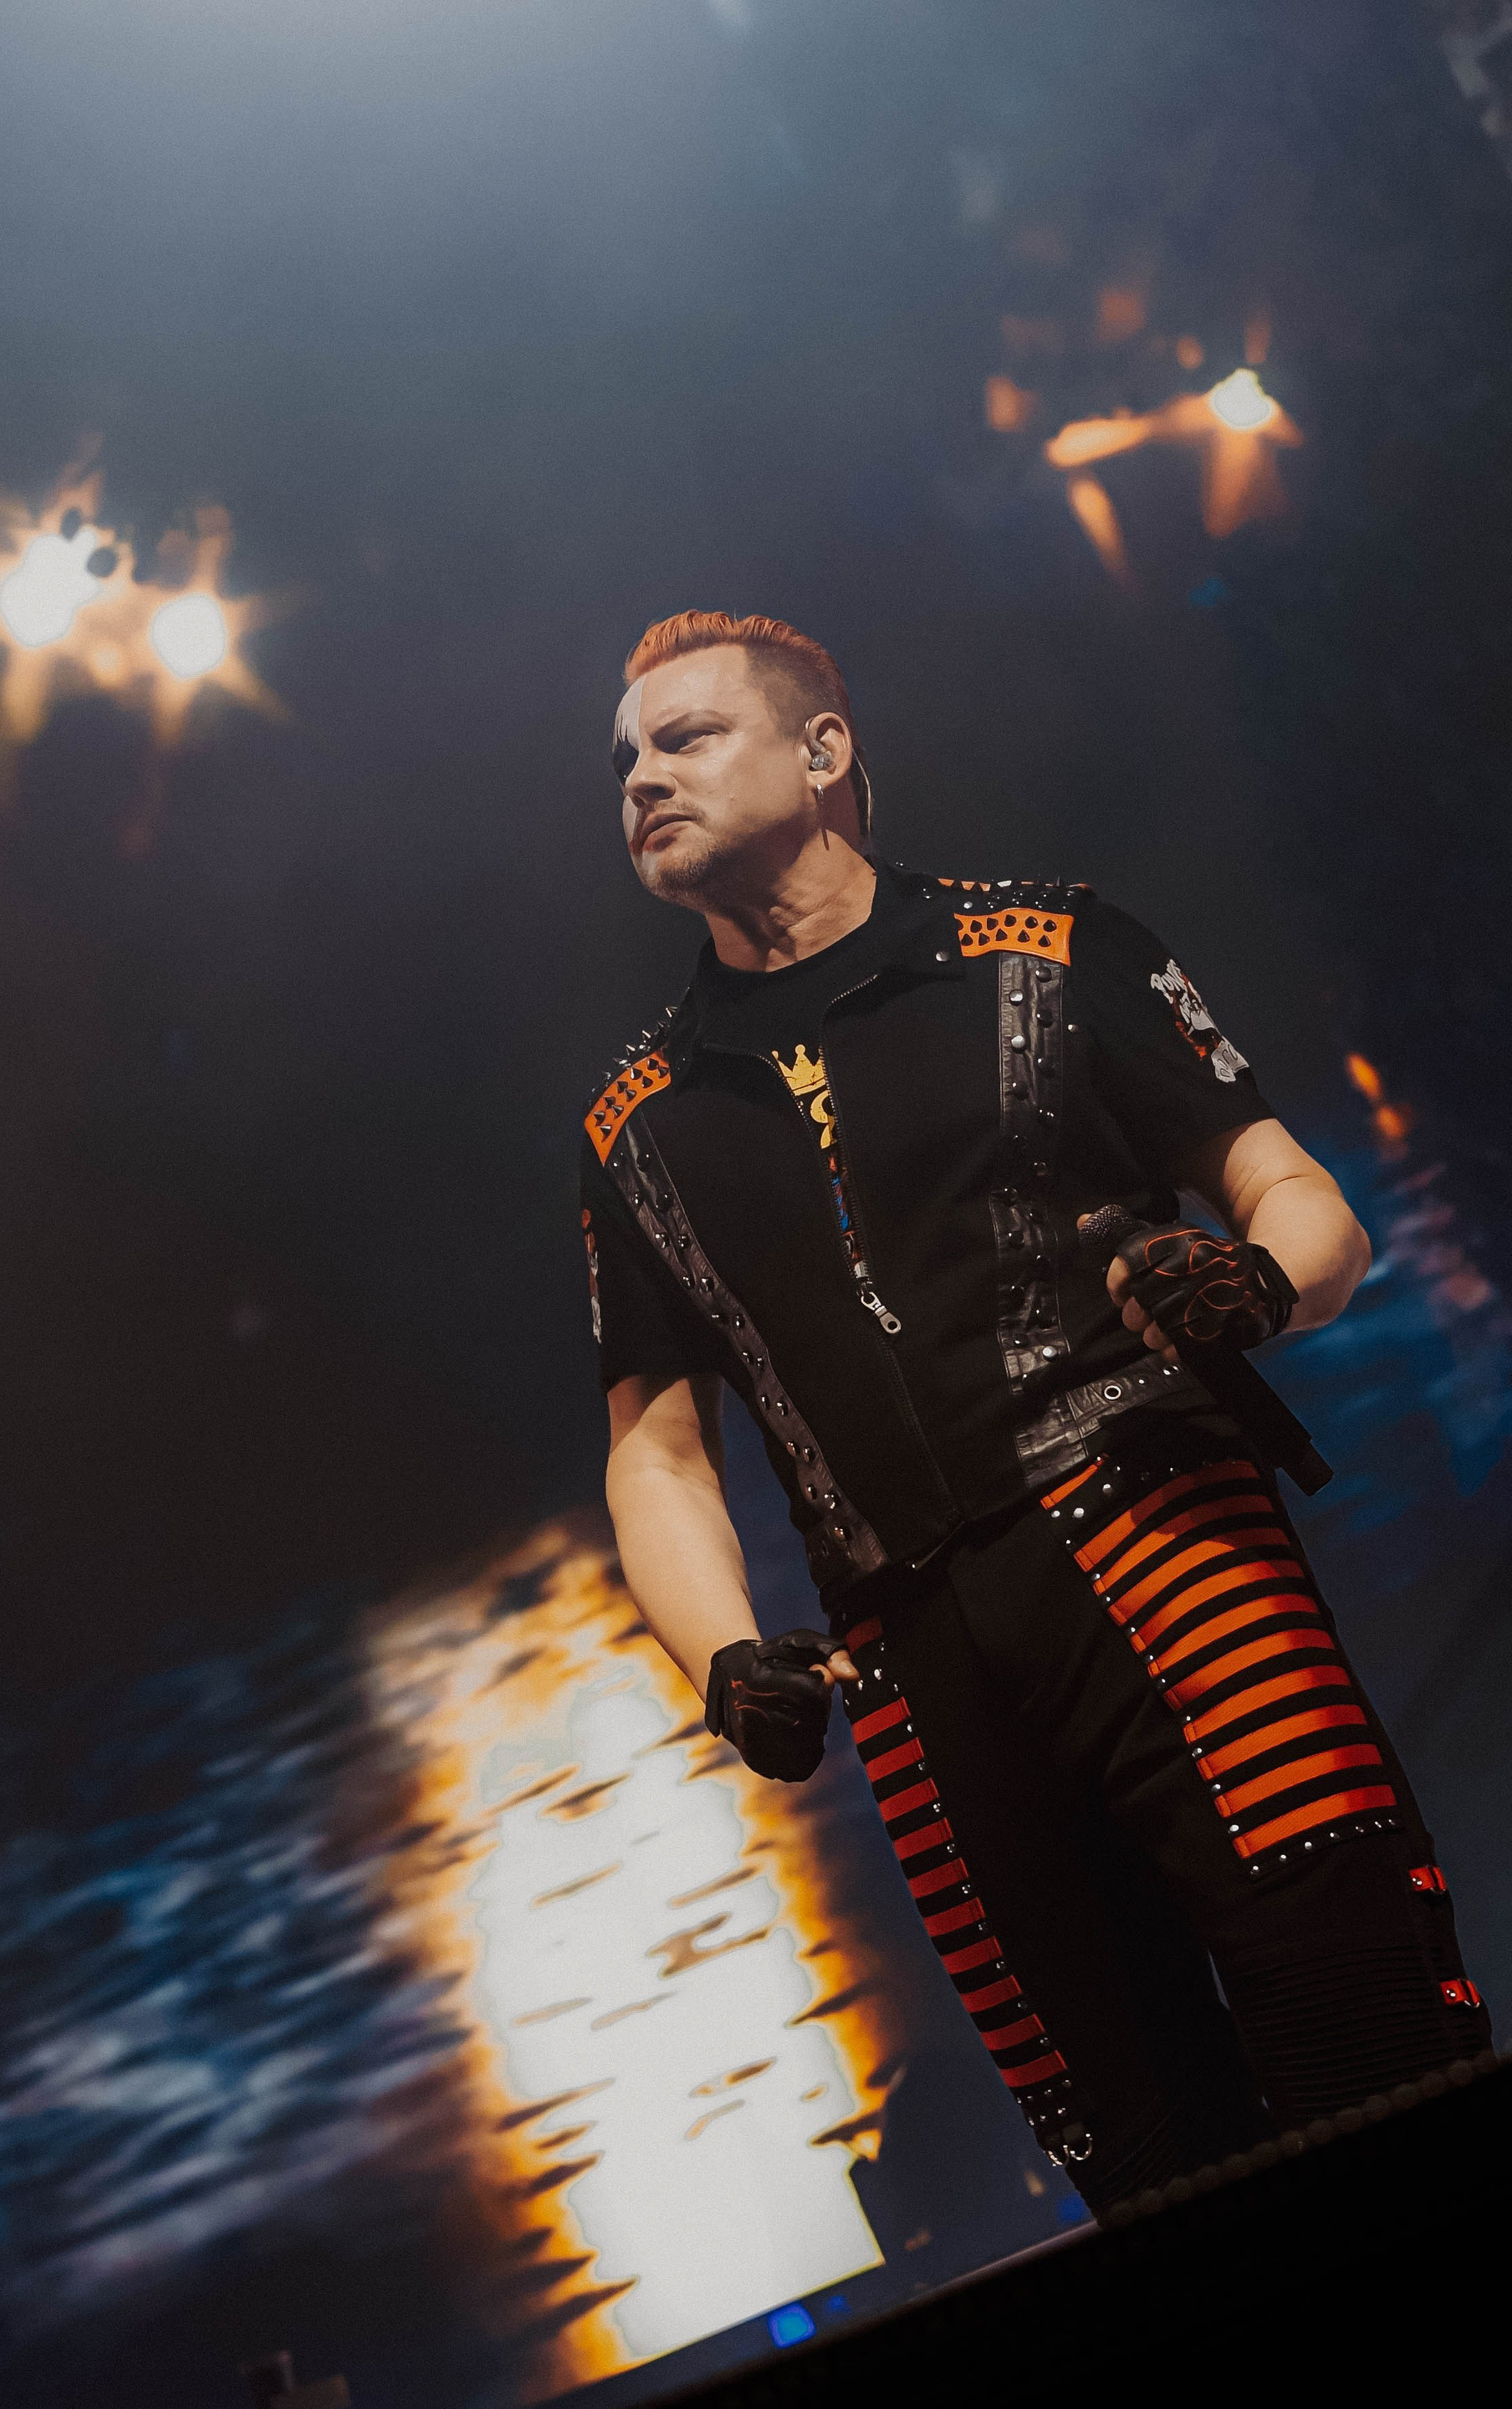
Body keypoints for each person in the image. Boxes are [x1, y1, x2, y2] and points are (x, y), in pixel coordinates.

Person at [580, 610, 1489, 2207]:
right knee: (1138, 2159)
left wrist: (1256, 1284)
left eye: (686, 736)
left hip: (1169, 1553)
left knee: (1372, 2037)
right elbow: (656, 1456)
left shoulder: (1055, 948)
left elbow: (1304, 1204)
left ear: (822, 749)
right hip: (919, 1670)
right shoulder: (637, 1123)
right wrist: (723, 1659)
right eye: (624, 760)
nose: (642, 777)